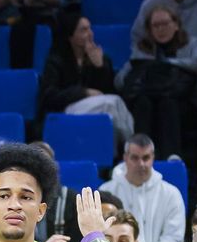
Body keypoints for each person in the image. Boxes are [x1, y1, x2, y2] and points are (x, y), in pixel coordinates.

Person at [121, 3, 197, 164]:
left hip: (184, 104)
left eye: (165, 24)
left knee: (167, 102)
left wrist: (166, 63)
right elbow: (121, 80)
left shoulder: (191, 44)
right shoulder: (142, 49)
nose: (161, 29)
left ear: (176, 25)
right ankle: (140, 154)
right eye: (155, 25)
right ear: (149, 30)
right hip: (150, 104)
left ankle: (173, 157)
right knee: (143, 102)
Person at [40, 10, 135, 146]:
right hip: (64, 110)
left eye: (90, 28)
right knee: (111, 104)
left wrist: (100, 68)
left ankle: (127, 149)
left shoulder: (100, 58)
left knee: (115, 104)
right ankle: (131, 146)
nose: (90, 34)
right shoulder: (56, 61)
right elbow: (49, 96)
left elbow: (108, 90)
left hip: (95, 108)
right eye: (83, 30)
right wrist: (83, 92)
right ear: (71, 36)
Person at [99, 135, 188, 242]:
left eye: (146, 158)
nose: (141, 164)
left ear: (153, 158)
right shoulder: (106, 191)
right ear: (125, 158)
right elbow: (99, 232)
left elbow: (174, 238)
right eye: (135, 158)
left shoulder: (171, 193)